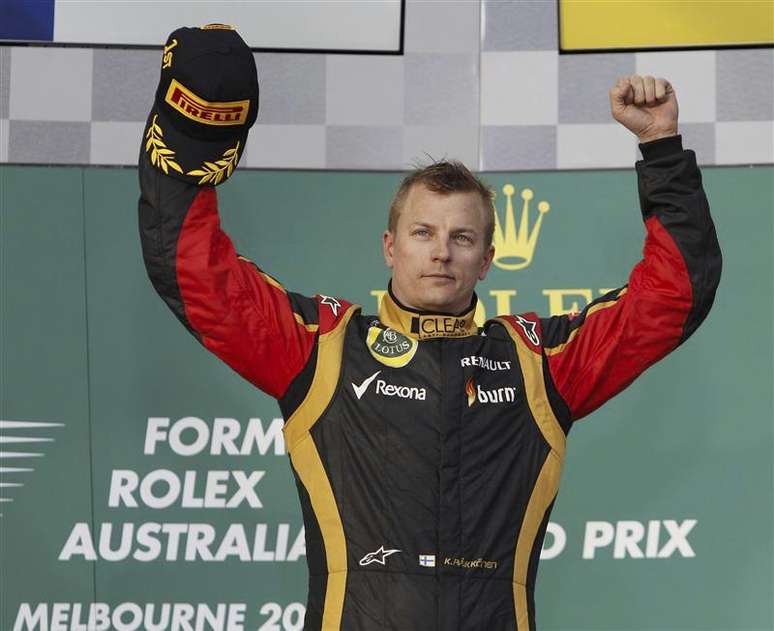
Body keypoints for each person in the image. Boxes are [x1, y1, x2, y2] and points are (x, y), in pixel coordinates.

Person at [138, 26, 721, 631]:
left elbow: (673, 296)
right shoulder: (324, 348)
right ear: (390, 247)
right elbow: (199, 279)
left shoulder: (537, 362)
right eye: (423, 233)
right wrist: (188, 142)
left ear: (486, 259)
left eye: (461, 237)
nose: (441, 252)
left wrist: (662, 148)